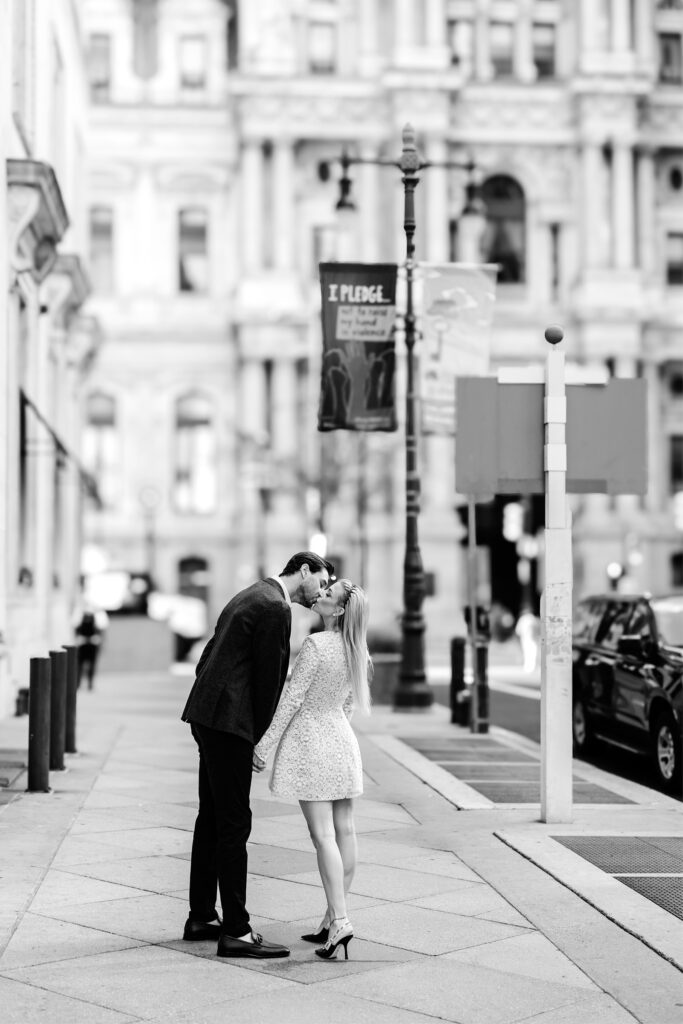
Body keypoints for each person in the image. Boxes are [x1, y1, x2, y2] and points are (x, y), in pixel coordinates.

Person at [180, 551, 333, 959]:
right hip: (230, 724)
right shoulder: (275, 607)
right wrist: (260, 739)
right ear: (304, 571)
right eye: (320, 582)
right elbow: (270, 681)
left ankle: (201, 916)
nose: (320, 594)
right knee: (234, 822)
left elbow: (208, 656)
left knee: (211, 815)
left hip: (208, 714)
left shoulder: (251, 594)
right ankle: (236, 930)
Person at [253, 578, 371, 962]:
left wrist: (264, 746)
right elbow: (350, 703)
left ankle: (339, 919)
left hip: (312, 743)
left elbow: (291, 701)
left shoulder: (317, 646)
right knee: (345, 832)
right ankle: (330, 918)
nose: (320, 594)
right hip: (341, 739)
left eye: (328, 594)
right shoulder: (358, 651)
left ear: (337, 611)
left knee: (323, 837)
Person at [72, 600, 109, 690]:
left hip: (93, 644)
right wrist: (79, 639)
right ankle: (78, 683)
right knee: (79, 664)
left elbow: (102, 630)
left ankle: (90, 683)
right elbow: (75, 628)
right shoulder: (79, 613)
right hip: (82, 644)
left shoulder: (99, 614)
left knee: (92, 664)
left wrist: (98, 639)